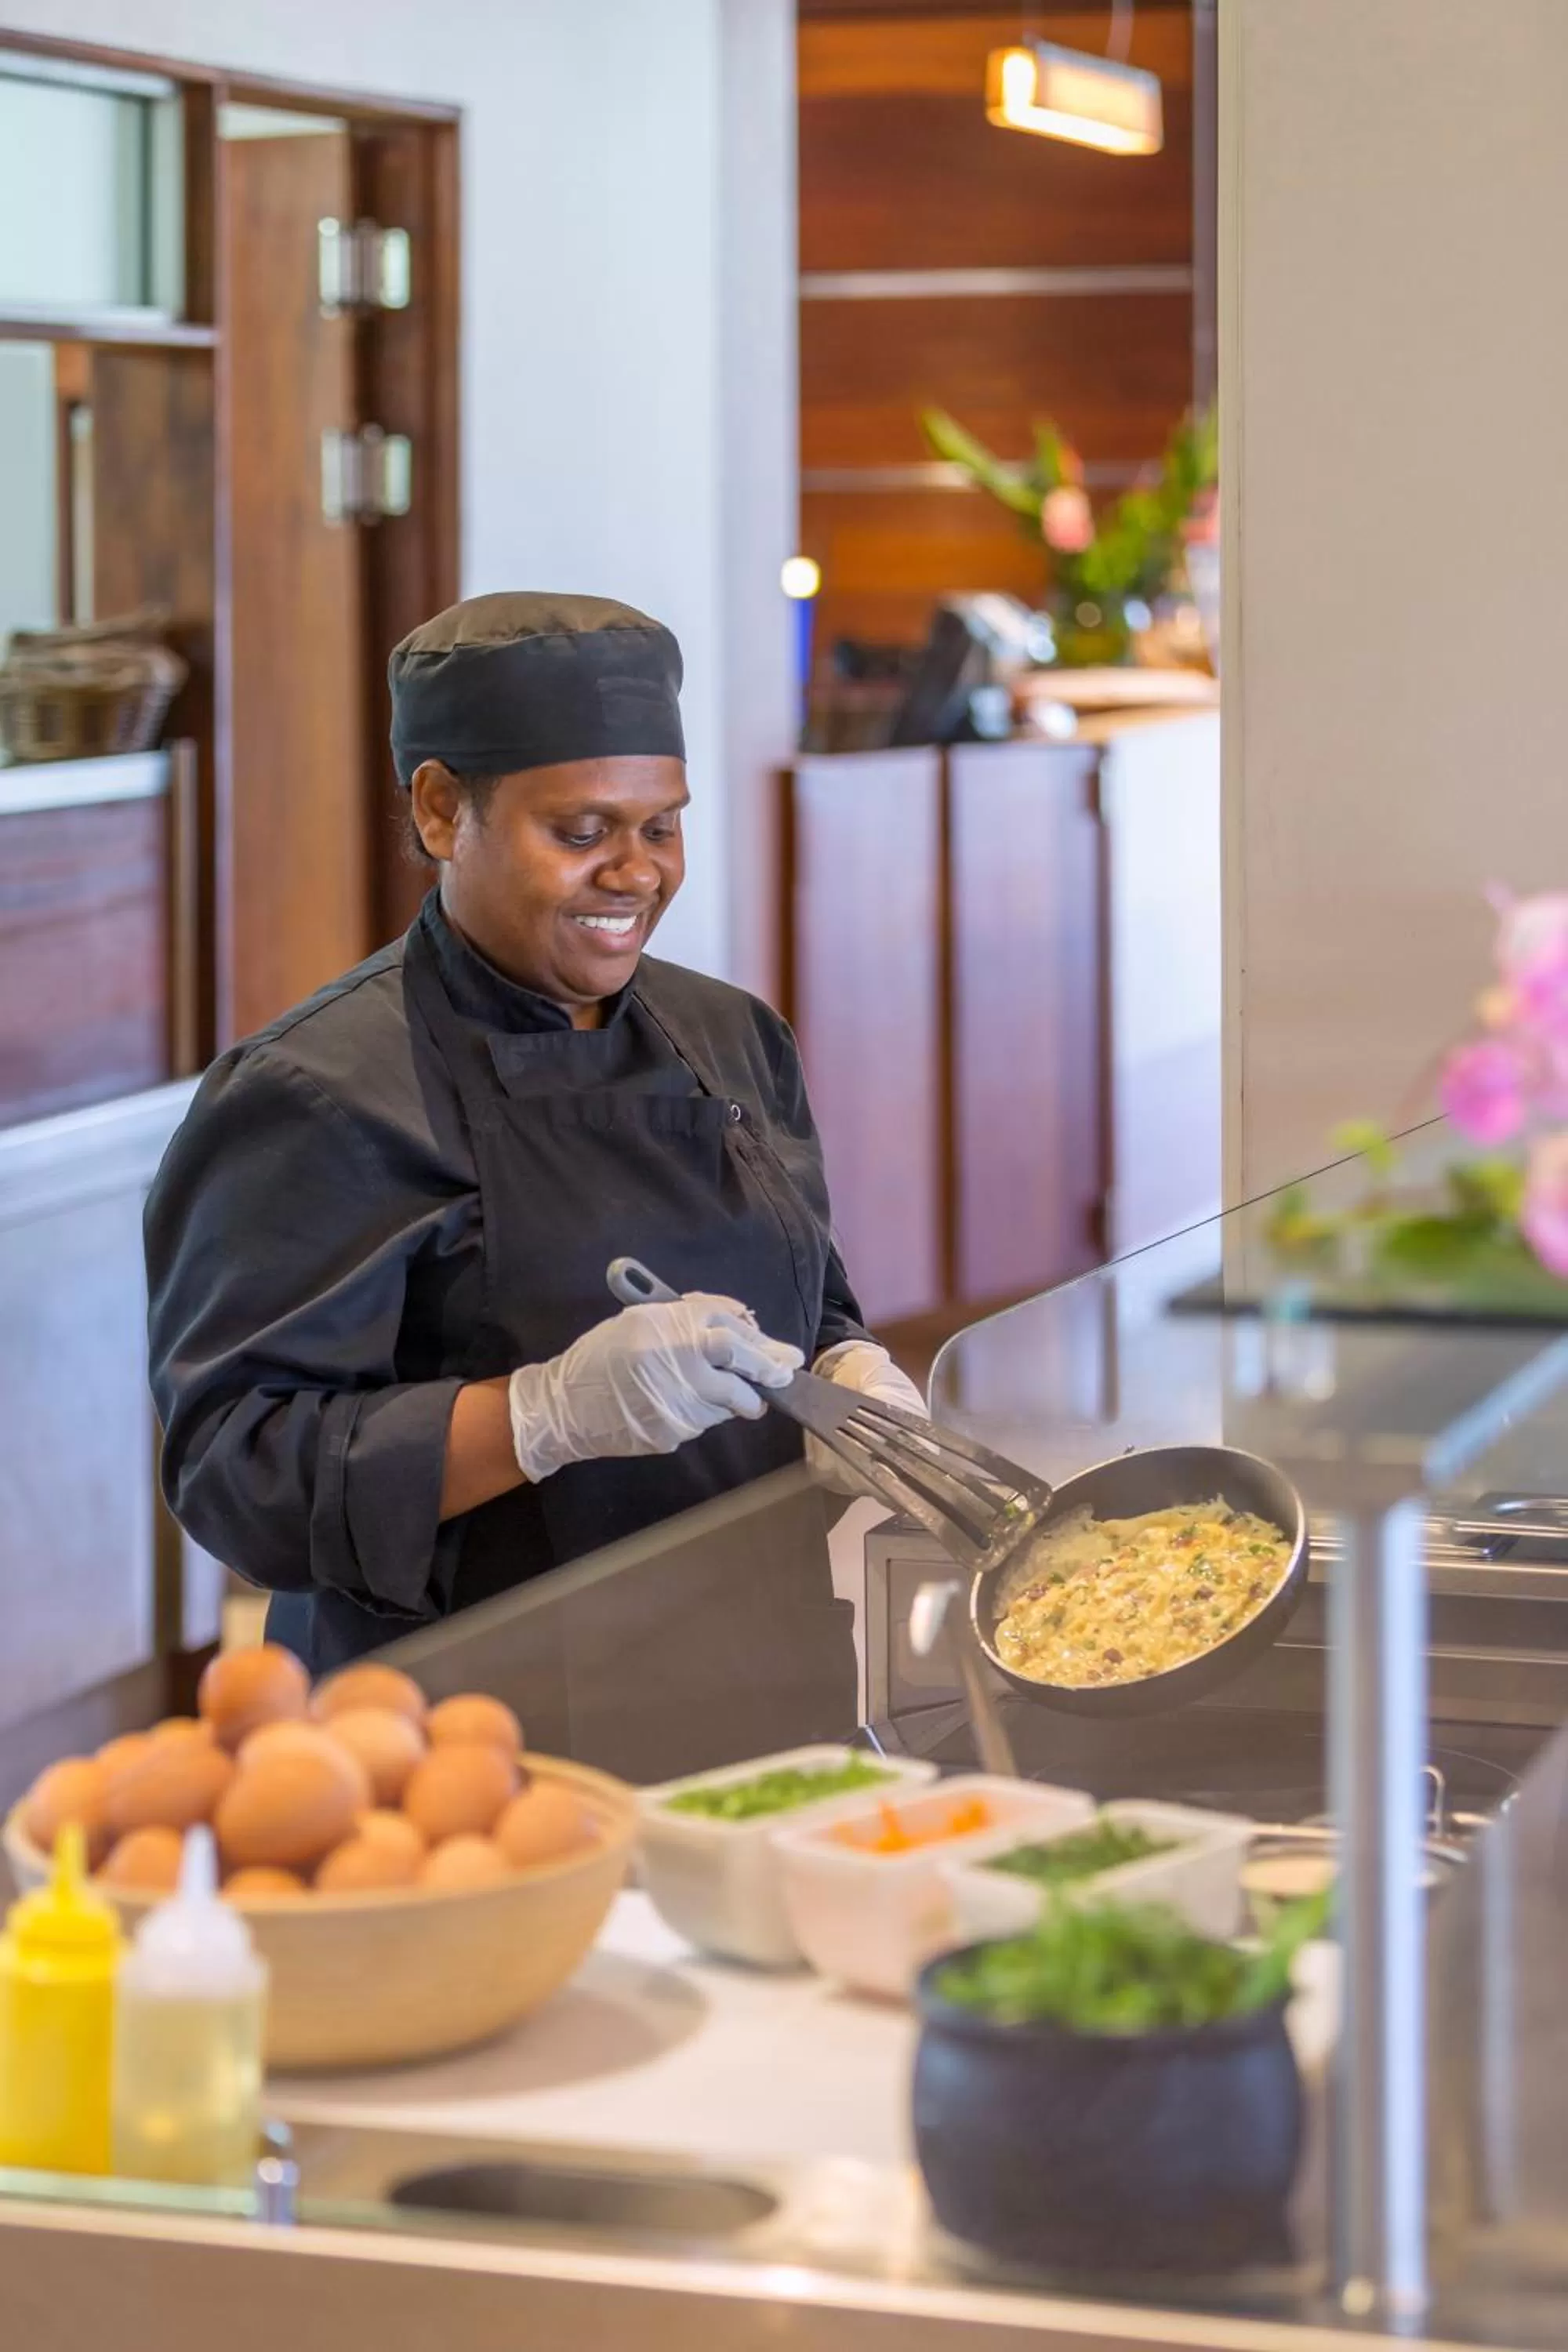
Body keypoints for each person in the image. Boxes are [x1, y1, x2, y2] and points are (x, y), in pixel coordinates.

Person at [145, 593, 922, 1677]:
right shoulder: (310, 1093)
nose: (638, 872)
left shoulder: (731, 1034)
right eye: (581, 831)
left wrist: (848, 1367)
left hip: (761, 1676)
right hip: (473, 1726)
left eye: (661, 826)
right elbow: (239, 1477)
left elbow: (810, 1290)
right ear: (436, 812)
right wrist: (540, 1417)